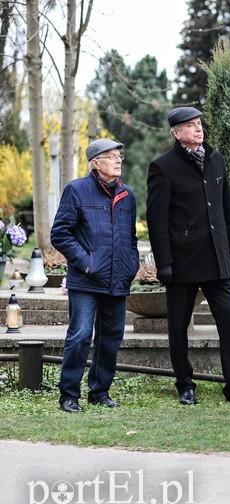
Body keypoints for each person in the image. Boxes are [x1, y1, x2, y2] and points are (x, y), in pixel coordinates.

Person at [147, 107, 230, 407]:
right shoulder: (163, 166)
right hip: (181, 261)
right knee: (178, 324)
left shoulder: (215, 158)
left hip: (216, 258)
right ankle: (185, 384)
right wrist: (164, 262)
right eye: (190, 125)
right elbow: (157, 220)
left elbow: (225, 208)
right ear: (176, 133)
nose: (198, 129)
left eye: (199, 124)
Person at [52, 139, 140, 413]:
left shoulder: (127, 194)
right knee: (79, 336)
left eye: (119, 156)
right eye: (111, 156)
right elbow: (60, 234)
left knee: (111, 337)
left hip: (117, 279)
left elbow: (132, 238)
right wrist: (86, 262)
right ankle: (69, 395)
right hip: (86, 280)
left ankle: (100, 392)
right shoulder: (77, 190)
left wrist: (131, 265)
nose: (118, 161)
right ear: (95, 162)